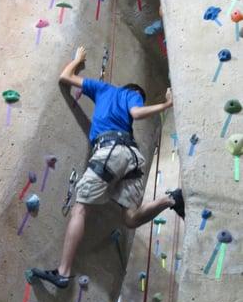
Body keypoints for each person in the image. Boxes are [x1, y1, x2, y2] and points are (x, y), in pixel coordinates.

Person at [27, 46, 185, 288]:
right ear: (135, 92)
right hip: (130, 156)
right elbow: (135, 111)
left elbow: (65, 77)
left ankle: (63, 271)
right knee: (130, 219)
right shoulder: (128, 94)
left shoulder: (104, 90)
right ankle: (171, 199)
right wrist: (162, 105)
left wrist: (77, 60)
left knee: (80, 208)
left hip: (111, 150)